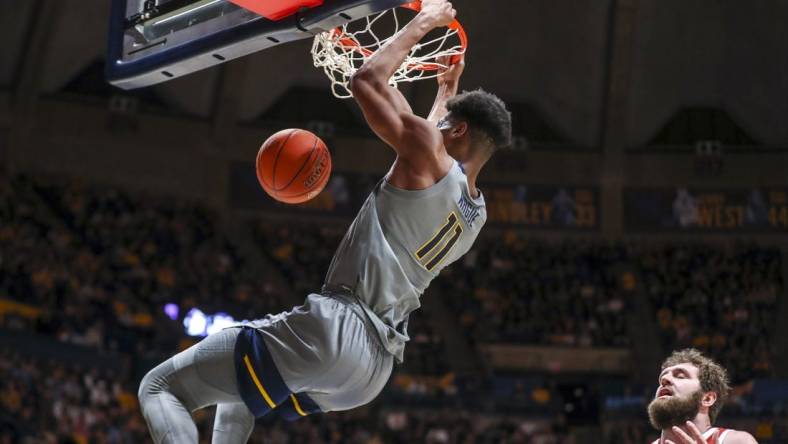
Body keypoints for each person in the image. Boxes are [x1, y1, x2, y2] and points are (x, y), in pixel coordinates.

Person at [137, 0, 512, 442]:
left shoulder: (429, 152)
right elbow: (432, 149)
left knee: (160, 387)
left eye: (445, 121)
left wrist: (425, 21)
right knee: (235, 390)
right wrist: (446, 94)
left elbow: (366, 80)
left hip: (341, 326)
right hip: (369, 374)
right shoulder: (475, 213)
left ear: (457, 131)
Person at [648, 349, 757, 444]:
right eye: (662, 378)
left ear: (707, 398)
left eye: (680, 376)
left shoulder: (735, 441)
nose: (664, 380)